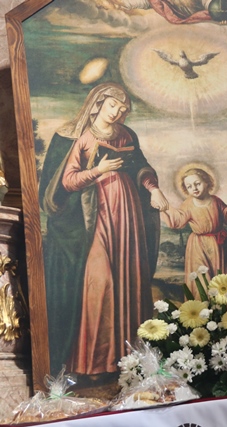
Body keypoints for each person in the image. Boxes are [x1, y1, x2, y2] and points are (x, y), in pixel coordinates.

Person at [39, 83, 168, 377]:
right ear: (98, 103)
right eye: (113, 106)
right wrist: (99, 170)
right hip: (91, 214)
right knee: (101, 281)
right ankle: (93, 363)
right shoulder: (78, 136)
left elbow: (140, 167)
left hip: (126, 212)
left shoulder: (126, 135)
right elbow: (66, 182)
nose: (117, 113)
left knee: (128, 278)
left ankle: (127, 361)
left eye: (122, 110)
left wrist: (153, 188)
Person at [161, 167, 227, 295]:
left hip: (219, 244)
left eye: (197, 184)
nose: (194, 188)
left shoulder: (215, 201)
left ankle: (221, 305)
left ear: (207, 182)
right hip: (198, 246)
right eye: (189, 186)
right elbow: (178, 219)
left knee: (220, 277)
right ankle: (201, 304)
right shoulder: (188, 204)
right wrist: (165, 209)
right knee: (201, 278)